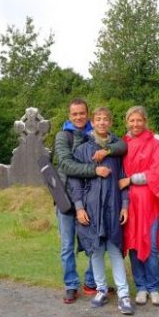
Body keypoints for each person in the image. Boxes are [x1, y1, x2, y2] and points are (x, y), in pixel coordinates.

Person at [55, 98, 127, 304]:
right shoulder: (63, 136)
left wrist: (109, 150)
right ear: (69, 116)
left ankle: (91, 282)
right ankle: (70, 285)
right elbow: (68, 166)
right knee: (68, 244)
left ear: (88, 115)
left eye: (81, 113)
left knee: (92, 240)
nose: (78, 117)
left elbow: (122, 144)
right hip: (67, 199)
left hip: (91, 199)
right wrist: (95, 170)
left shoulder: (95, 135)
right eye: (74, 114)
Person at [67, 107, 134, 315]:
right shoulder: (82, 150)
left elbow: (123, 179)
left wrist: (124, 206)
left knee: (114, 250)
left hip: (113, 207)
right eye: (98, 119)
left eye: (106, 119)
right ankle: (101, 289)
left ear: (111, 123)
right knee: (95, 251)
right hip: (90, 209)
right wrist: (79, 208)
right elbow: (74, 182)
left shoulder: (117, 150)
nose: (102, 122)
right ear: (92, 122)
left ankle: (123, 295)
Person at [118, 106, 159, 306]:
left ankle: (153, 287)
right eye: (131, 120)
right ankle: (141, 287)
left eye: (139, 120)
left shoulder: (154, 144)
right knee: (134, 245)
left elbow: (158, 174)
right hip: (130, 202)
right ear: (127, 122)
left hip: (149, 202)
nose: (135, 124)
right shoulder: (123, 145)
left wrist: (131, 179)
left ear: (145, 121)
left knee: (150, 245)